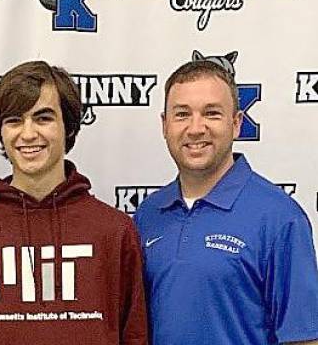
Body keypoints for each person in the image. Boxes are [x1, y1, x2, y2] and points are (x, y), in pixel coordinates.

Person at [0, 61, 147, 345]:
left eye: (43, 118)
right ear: (1, 132)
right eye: (14, 120)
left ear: (68, 126)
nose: (28, 133)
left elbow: (134, 335)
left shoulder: (113, 231)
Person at [134, 60, 318, 345]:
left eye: (212, 113)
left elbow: (303, 338)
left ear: (236, 124)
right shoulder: (148, 214)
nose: (196, 128)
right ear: (165, 125)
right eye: (182, 114)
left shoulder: (280, 217)